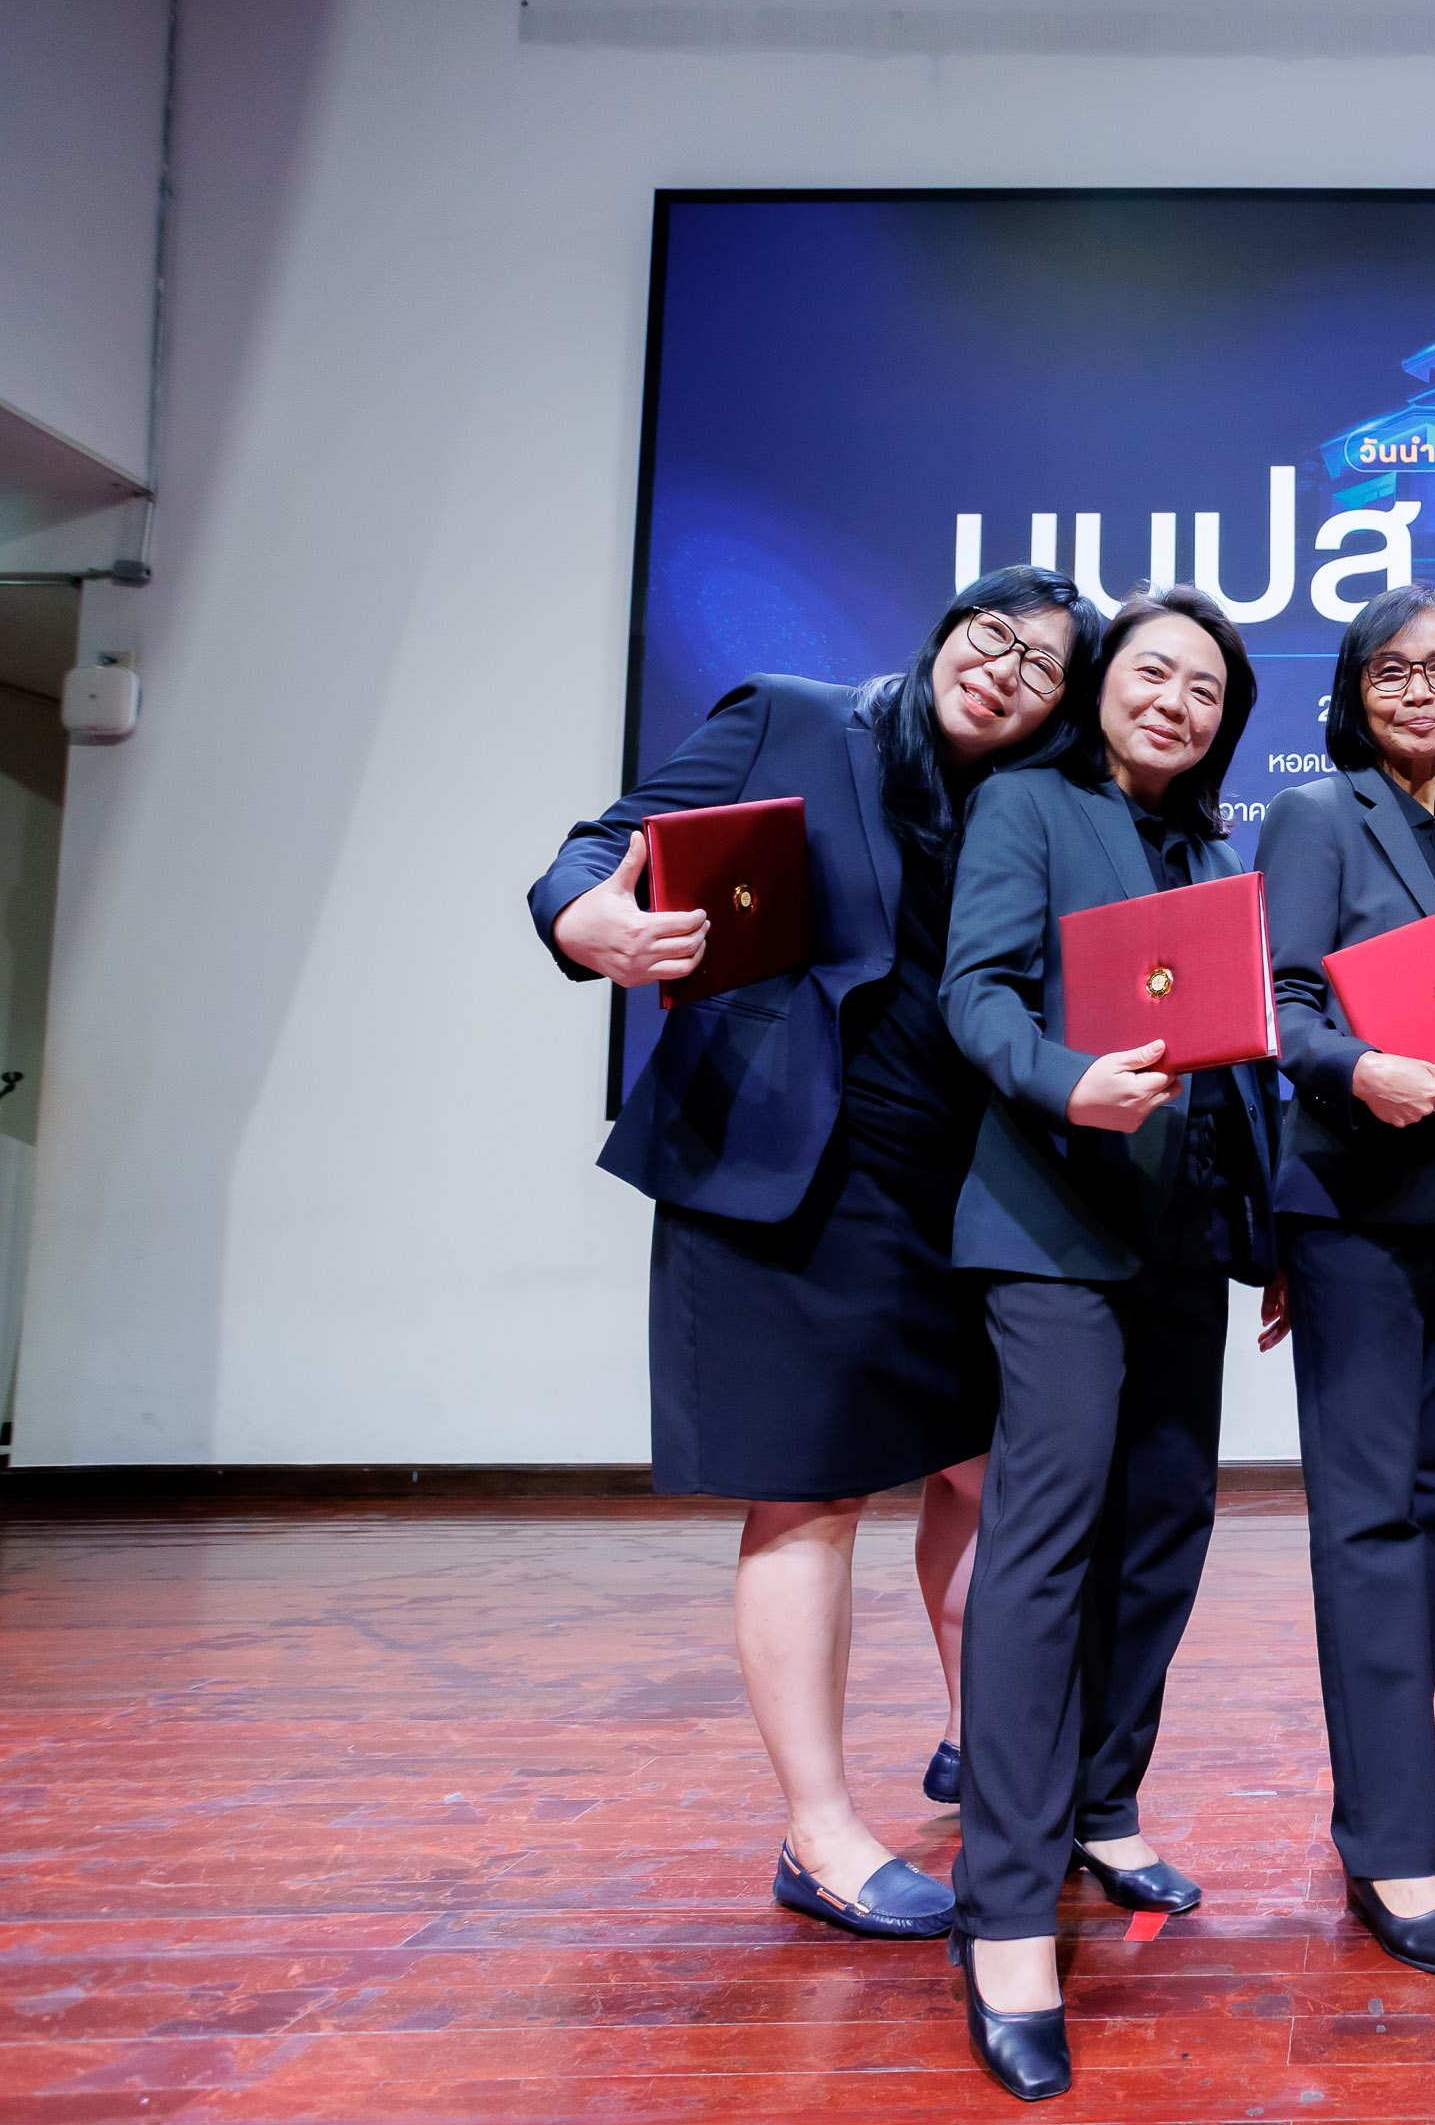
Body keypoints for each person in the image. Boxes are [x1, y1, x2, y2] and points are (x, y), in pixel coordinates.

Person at [525, 566, 1100, 1945]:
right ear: (949, 631)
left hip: (961, 1190)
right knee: (810, 1499)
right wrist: (583, 922)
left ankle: (994, 1758)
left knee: (993, 1476)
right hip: (787, 1175)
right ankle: (819, 1832)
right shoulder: (793, 716)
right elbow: (596, 851)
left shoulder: (1031, 805)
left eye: (1044, 668)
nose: (1008, 672)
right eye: (995, 637)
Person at [939, 584, 1283, 2102]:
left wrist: (1268, 1236)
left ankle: (1099, 1801)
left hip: (1182, 1237)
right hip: (1049, 1224)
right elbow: (975, 995)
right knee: (1045, 1542)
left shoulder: (1215, 850)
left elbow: (1239, 1066)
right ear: (1102, 686)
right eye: (1155, 672)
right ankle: (1006, 1910)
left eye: (1208, 691)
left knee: (1165, 1531)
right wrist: (1065, 1081)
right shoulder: (1028, 805)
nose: (1178, 703)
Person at [1254, 584, 1435, 1979]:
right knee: (1370, 1518)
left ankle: (1394, 1793)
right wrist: (1360, 1067)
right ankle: (1387, 1846)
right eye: (1392, 671)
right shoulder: (1319, 814)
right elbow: (1280, 1004)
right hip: (1359, 1210)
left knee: (1424, 1508)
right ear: (1353, 692)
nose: (1422, 691)